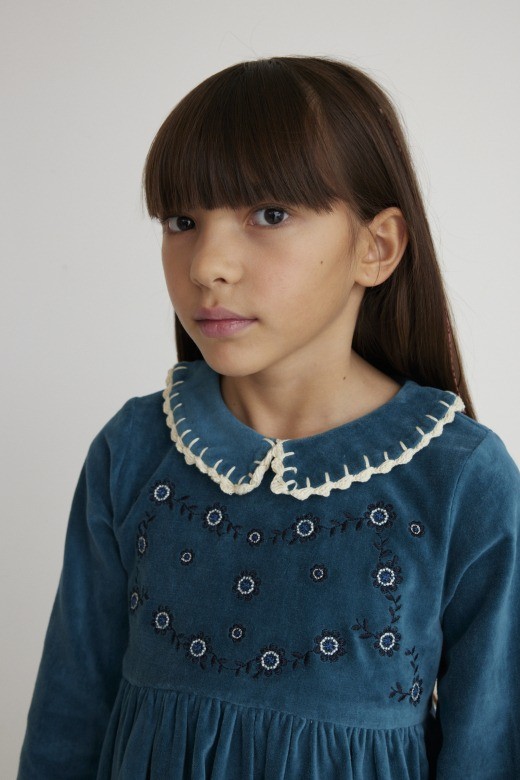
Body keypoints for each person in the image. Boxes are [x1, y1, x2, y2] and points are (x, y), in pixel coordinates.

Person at [18, 56, 519, 779]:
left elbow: (490, 750)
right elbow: (67, 721)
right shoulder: (133, 449)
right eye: (182, 221)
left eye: (270, 214)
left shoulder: (461, 479)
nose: (206, 266)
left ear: (375, 247)